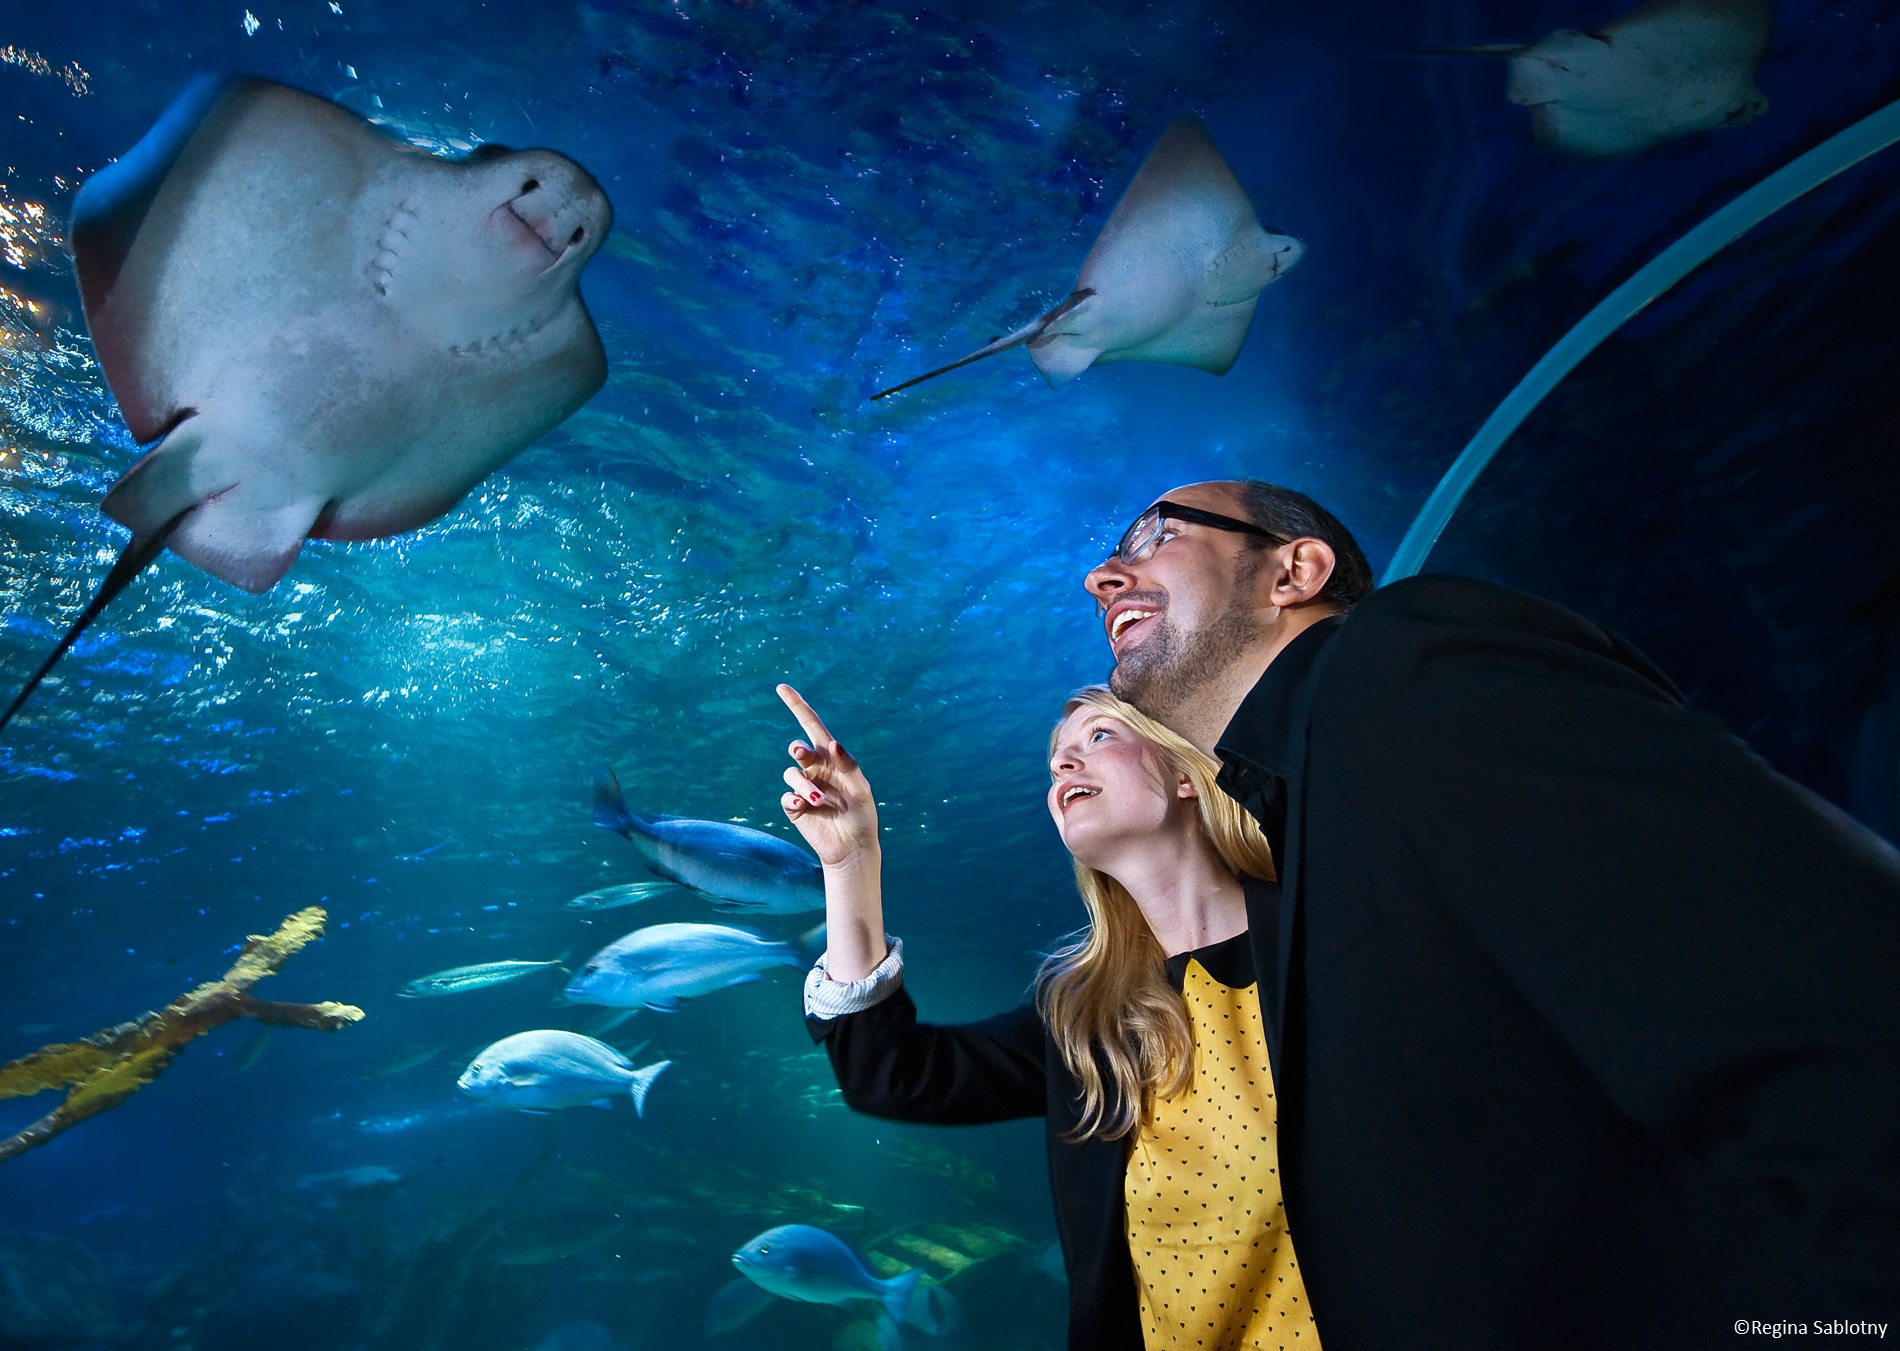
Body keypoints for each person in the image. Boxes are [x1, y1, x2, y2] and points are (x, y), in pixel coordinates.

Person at [1076, 479, 1900, 1349]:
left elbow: (1824, 1007)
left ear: (1295, 571)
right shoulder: (1307, 834)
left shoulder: (1396, 661)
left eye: (1154, 536)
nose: (1102, 577)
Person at [775, 681, 1315, 1351]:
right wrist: (852, 858)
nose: (1062, 762)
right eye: (1056, 756)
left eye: (1100, 736)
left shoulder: (1334, 941)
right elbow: (890, 1075)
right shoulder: (1082, 1020)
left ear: (1186, 773)